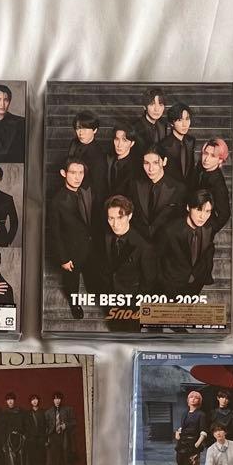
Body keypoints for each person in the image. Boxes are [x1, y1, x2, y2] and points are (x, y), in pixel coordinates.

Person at [49, 157, 97, 320]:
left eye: (81, 173)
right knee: (72, 281)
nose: (77, 177)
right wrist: (63, 258)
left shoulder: (86, 191)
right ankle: (74, 304)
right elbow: (54, 233)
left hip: (89, 245)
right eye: (73, 173)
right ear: (63, 173)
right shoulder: (57, 201)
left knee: (93, 275)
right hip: (71, 250)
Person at [158, 190, 223, 295]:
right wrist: (163, 283)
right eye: (198, 209)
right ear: (188, 207)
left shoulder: (208, 229)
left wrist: (201, 276)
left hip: (195, 286)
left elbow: (207, 254)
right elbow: (157, 258)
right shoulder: (170, 230)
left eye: (207, 211)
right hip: (170, 286)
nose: (203, 216)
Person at [101, 195, 155, 307]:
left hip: (131, 298)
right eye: (111, 218)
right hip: (109, 293)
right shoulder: (105, 235)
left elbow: (148, 281)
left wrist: (136, 303)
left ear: (129, 216)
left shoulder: (144, 246)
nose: (115, 224)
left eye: (120, 217)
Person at [132, 145, 182, 243]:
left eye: (155, 163)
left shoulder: (179, 188)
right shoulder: (134, 185)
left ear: (164, 161)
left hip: (166, 244)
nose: (150, 169)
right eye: (146, 163)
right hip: (140, 243)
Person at [63, 110, 107, 206]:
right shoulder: (74, 143)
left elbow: (98, 188)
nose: (81, 133)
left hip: (86, 199)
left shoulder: (98, 155)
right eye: (78, 128)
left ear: (95, 130)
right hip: (69, 192)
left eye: (85, 128)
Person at [175, 388, 209, 465]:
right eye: (191, 397)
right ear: (188, 400)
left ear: (199, 401)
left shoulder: (201, 414)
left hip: (193, 444)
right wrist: (177, 433)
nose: (193, 399)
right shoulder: (184, 413)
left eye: (196, 398)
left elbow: (203, 431)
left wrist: (198, 443)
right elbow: (182, 427)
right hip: (182, 443)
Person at [159, 102, 196, 183]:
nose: (185, 124)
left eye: (187, 119)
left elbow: (191, 169)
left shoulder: (191, 141)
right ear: (172, 123)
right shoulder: (164, 145)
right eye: (180, 120)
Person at [105, 122, 142, 199]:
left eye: (124, 140)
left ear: (132, 143)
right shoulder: (108, 160)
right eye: (117, 139)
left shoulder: (135, 168)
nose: (119, 145)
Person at [0, 392, 25, 465]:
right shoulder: (4, 413)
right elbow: (2, 430)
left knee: (19, 461)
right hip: (9, 440)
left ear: (14, 400)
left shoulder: (21, 411)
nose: (10, 401)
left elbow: (25, 425)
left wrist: (23, 435)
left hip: (20, 439)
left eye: (12, 399)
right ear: (6, 401)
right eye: (8, 400)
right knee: (12, 462)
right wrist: (3, 443)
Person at [45, 391, 75, 465]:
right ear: (53, 400)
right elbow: (45, 426)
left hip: (64, 436)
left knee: (65, 457)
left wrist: (66, 425)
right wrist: (47, 437)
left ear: (61, 400)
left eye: (58, 398)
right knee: (55, 458)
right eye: (55, 399)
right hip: (53, 437)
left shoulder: (68, 410)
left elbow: (74, 422)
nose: (57, 401)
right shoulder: (48, 412)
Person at [23, 394, 48, 465]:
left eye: (36, 399)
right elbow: (24, 426)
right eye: (32, 399)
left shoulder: (44, 412)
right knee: (32, 460)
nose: (34, 401)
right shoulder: (27, 413)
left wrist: (46, 439)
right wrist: (27, 436)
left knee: (41, 459)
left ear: (38, 401)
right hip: (31, 440)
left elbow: (47, 426)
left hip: (41, 439)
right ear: (30, 402)